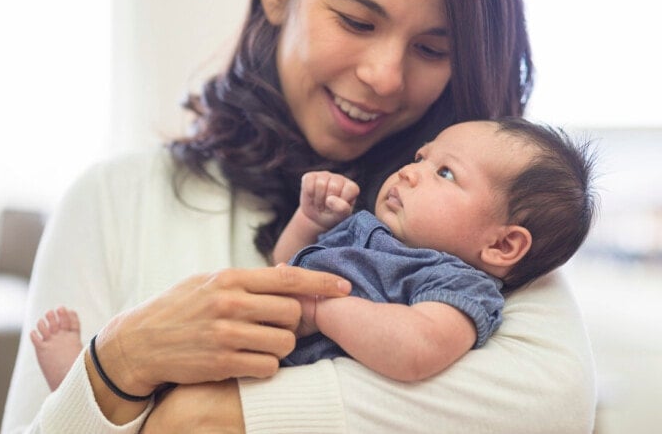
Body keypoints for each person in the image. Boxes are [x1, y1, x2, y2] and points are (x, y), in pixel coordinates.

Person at [1, 0, 599, 433]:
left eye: (430, 49)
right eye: (358, 22)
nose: (385, 76)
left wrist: (203, 416)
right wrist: (118, 362)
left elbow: (555, 401)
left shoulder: (477, 234)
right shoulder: (114, 199)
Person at [29, 118, 596, 388]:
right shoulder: (367, 230)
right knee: (171, 366)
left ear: (501, 244)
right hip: (250, 343)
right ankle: (83, 378)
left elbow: (416, 351)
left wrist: (322, 307)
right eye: (423, 157)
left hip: (283, 380)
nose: (412, 172)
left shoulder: (457, 285)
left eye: (444, 172)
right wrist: (309, 223)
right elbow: (285, 266)